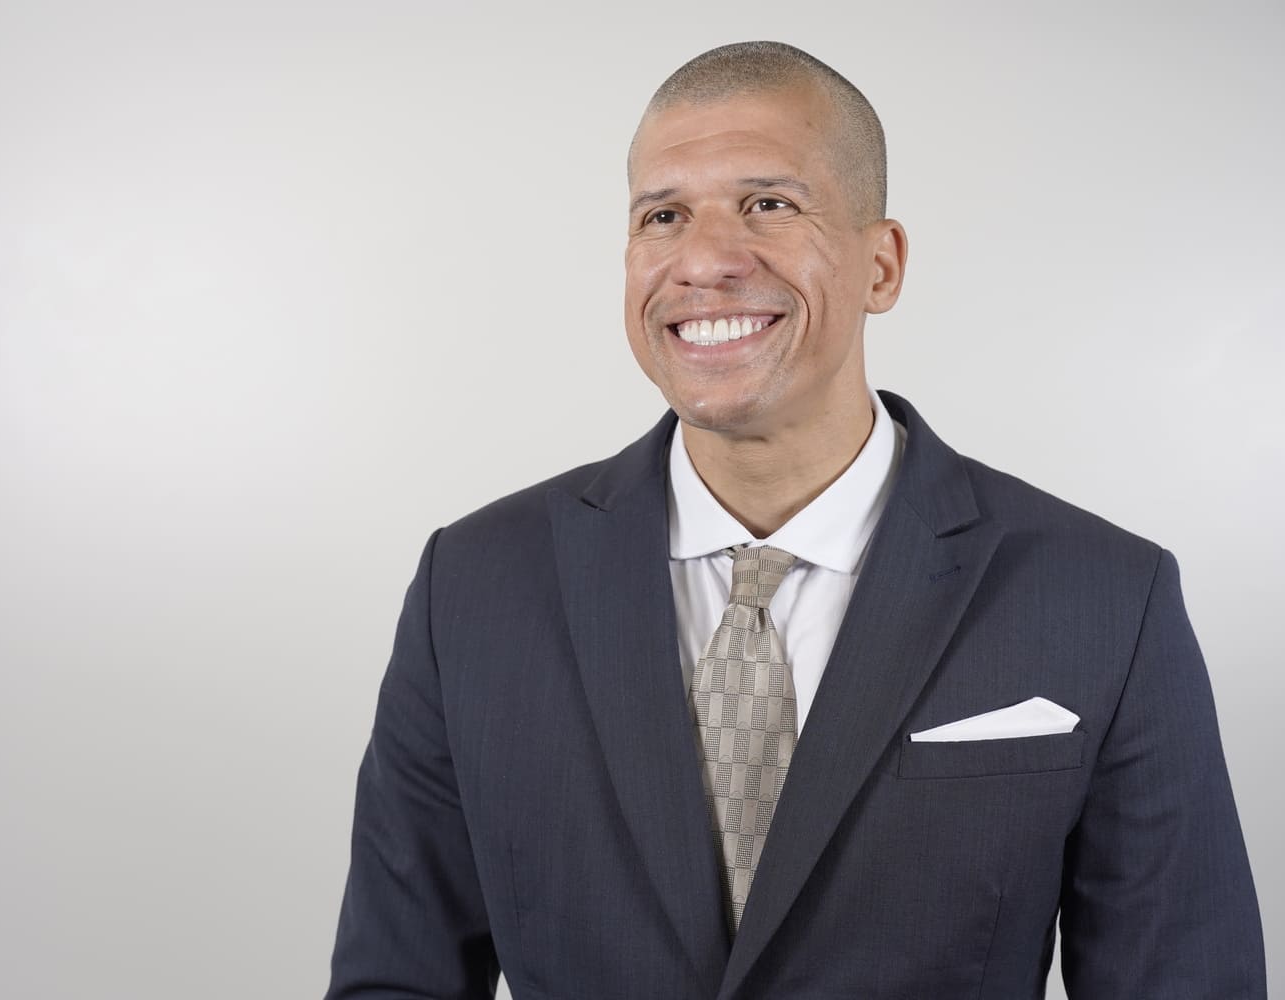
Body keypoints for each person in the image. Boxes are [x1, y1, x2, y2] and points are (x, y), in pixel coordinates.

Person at [326, 41, 1266, 999]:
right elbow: (396, 978)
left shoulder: (1106, 597)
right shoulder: (471, 586)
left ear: (881, 266)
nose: (704, 261)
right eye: (663, 216)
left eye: (768, 204)